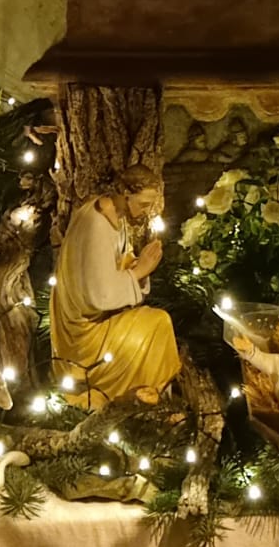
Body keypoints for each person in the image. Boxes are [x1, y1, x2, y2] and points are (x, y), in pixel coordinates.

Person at [49, 164, 181, 405]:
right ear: (126, 194)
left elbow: (111, 269)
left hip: (97, 319)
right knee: (158, 323)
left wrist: (137, 265)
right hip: (83, 335)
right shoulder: (96, 224)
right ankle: (147, 395)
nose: (145, 212)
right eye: (143, 204)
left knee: (155, 322)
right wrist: (140, 270)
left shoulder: (114, 217)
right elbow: (100, 296)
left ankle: (150, 394)